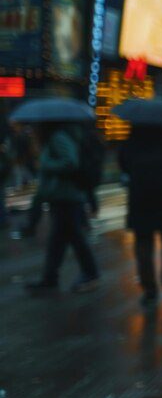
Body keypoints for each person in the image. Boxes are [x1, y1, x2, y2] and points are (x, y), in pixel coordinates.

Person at [26, 123, 99, 292]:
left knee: (74, 237)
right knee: (58, 239)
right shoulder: (55, 138)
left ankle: (90, 272)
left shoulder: (58, 137)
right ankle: (50, 277)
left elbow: (70, 161)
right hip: (61, 196)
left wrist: (46, 165)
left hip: (67, 196)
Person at [119, 125, 162, 305]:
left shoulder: (131, 141)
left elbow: (123, 165)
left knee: (143, 243)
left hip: (140, 196)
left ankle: (149, 287)